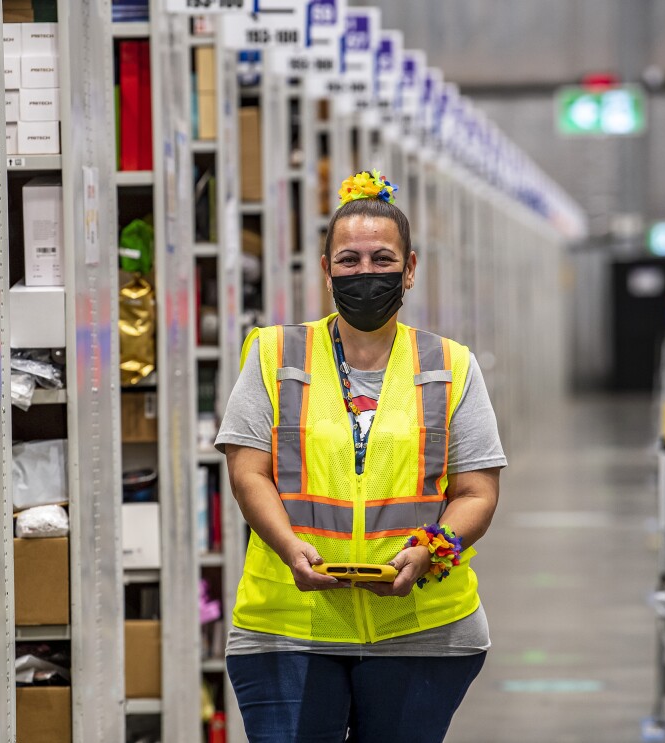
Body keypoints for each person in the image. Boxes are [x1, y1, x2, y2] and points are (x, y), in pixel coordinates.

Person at [214, 171, 507, 742]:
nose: (365, 273)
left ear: (411, 268)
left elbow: (477, 492)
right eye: (348, 260)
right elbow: (248, 471)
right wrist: (288, 546)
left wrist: (428, 552)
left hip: (422, 630)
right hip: (289, 627)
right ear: (325, 270)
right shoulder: (274, 354)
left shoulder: (450, 364)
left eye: (382, 259)